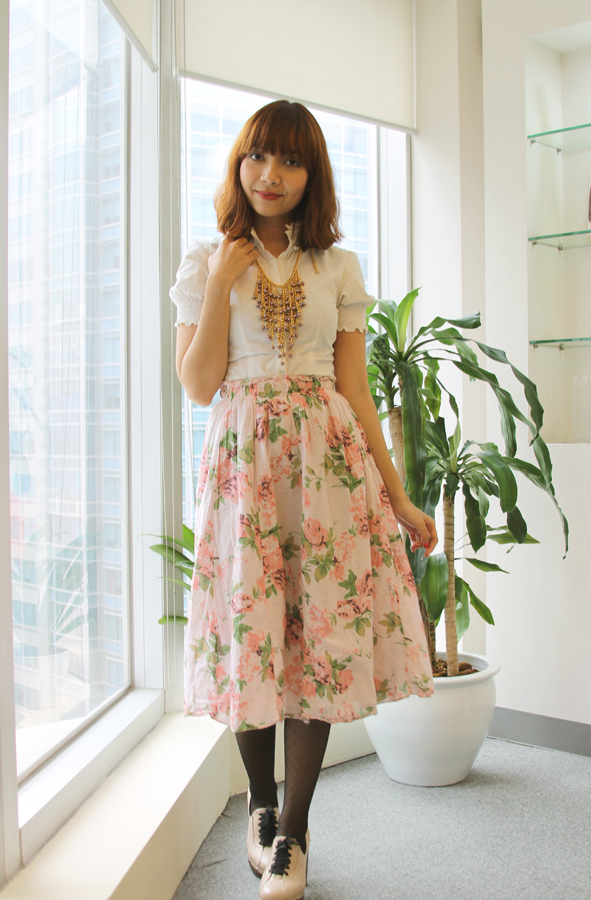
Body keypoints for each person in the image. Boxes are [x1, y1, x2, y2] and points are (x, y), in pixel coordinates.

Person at [170, 100, 437, 900]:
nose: (271, 174)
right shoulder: (203, 261)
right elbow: (198, 385)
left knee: (318, 637)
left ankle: (292, 830)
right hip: (245, 475)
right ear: (239, 164)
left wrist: (399, 498)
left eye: (290, 160)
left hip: (328, 474)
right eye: (258, 156)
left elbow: (354, 391)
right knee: (254, 634)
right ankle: (259, 805)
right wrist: (223, 281)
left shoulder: (337, 268)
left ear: (312, 174)